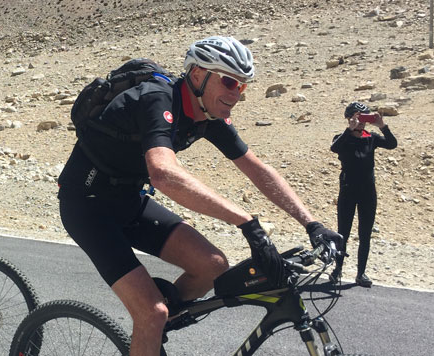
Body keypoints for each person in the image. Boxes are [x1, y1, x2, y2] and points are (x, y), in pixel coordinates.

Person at [57, 36, 342, 355]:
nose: (235, 93)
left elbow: (257, 169)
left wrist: (312, 224)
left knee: (213, 264)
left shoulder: (208, 115)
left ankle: (151, 332)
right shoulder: (157, 99)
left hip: (128, 201)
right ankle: (151, 322)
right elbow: (163, 173)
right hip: (86, 207)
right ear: (196, 75)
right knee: (152, 313)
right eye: (228, 81)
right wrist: (246, 222)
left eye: (242, 86)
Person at [329, 102, 397, 287]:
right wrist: (348, 130)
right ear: (349, 118)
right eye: (358, 118)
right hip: (348, 191)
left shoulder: (371, 138)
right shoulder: (342, 138)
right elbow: (334, 148)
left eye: (364, 118)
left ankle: (361, 274)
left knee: (365, 234)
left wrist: (382, 126)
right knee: (343, 233)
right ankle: (337, 270)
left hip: (368, 192)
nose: (361, 123)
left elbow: (392, 144)